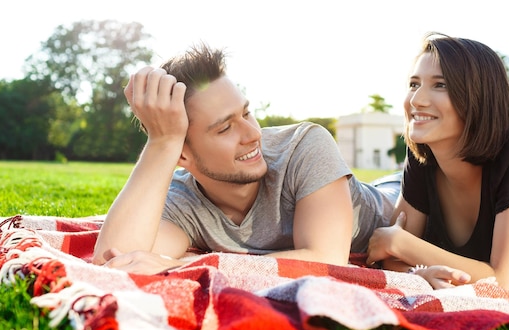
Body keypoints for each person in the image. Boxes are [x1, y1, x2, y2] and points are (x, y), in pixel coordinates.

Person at [92, 43, 399, 274]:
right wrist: (162, 143)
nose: (253, 134)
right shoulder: (183, 199)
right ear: (182, 154)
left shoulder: (304, 145)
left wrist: (188, 266)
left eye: (247, 113)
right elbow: (115, 260)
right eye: (225, 127)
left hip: (399, 202)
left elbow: (325, 258)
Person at [367, 32, 509, 290]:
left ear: (478, 96)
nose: (416, 100)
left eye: (440, 85)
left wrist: (401, 243)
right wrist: (416, 272)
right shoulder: (424, 154)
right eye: (414, 84)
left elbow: (506, 280)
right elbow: (387, 257)